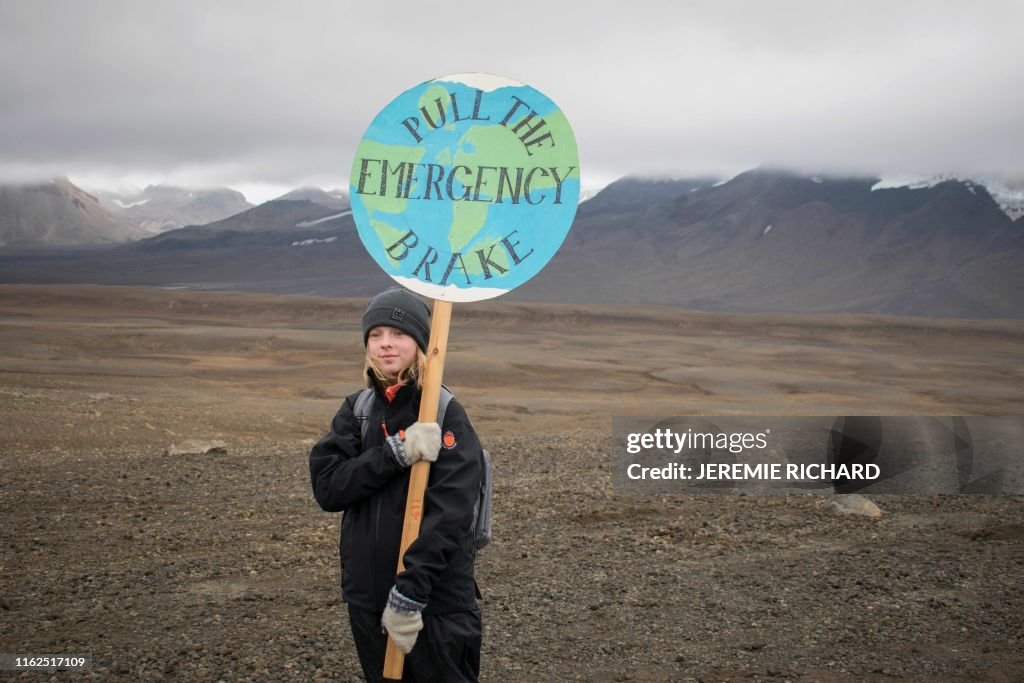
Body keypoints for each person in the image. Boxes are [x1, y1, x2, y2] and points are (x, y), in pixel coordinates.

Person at [309, 286, 483, 682]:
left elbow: (452, 515)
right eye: (376, 335)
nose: (386, 344)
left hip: (434, 605)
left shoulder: (443, 412)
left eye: (399, 334)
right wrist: (395, 452)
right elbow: (329, 488)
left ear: (421, 341)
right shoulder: (358, 410)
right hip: (367, 601)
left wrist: (411, 593)